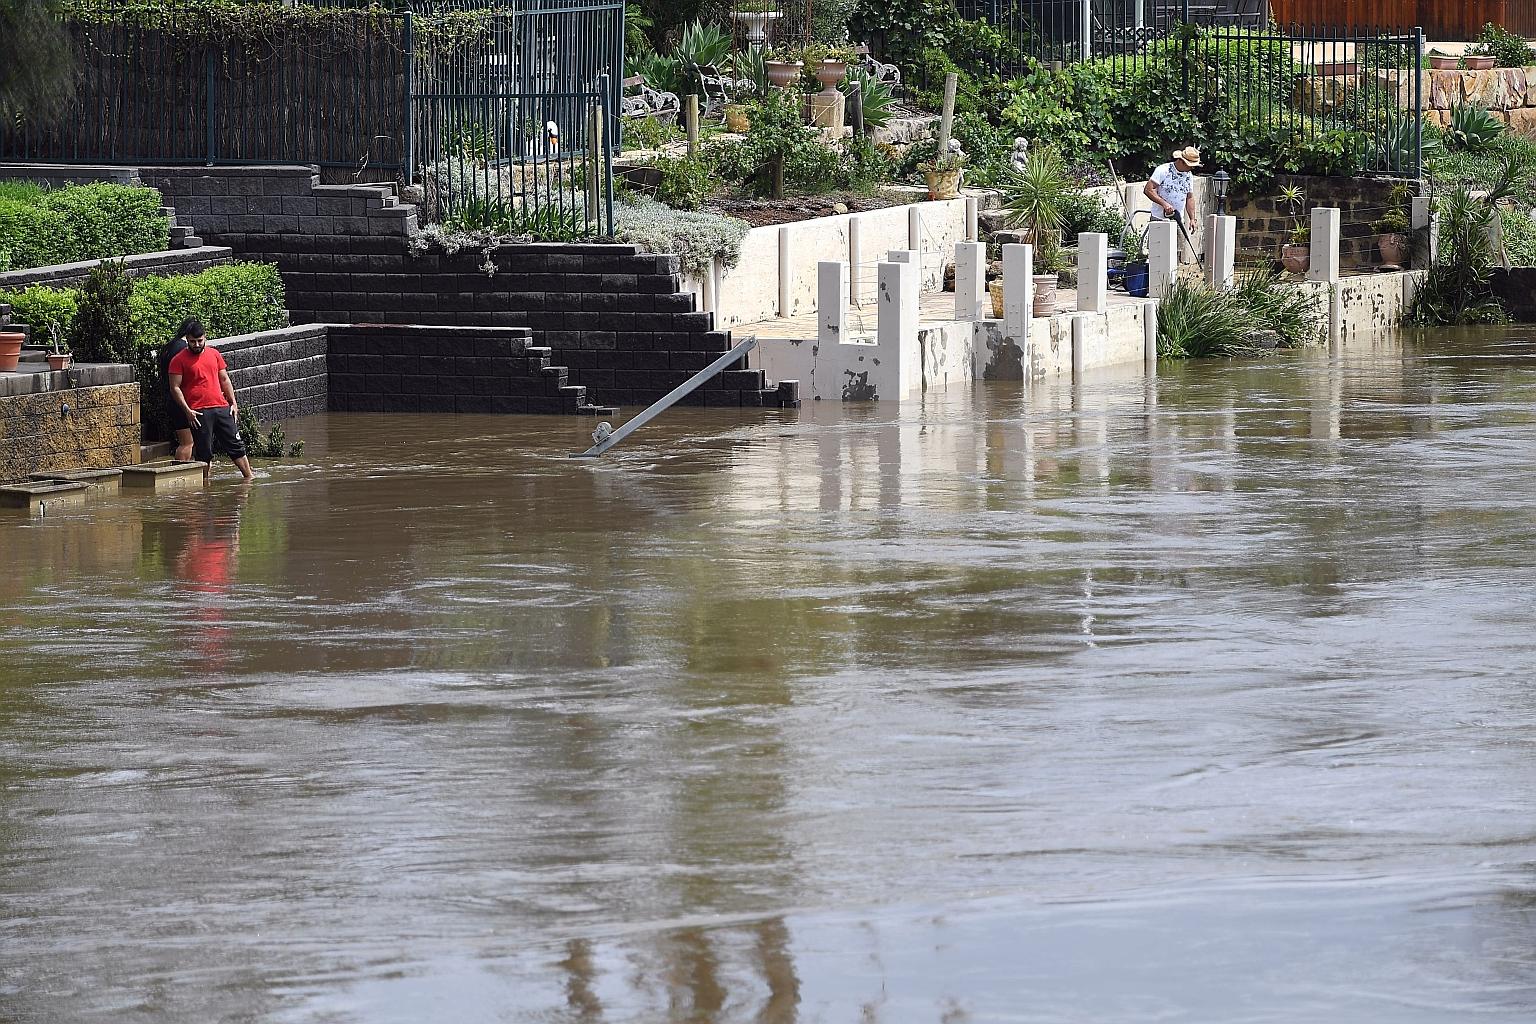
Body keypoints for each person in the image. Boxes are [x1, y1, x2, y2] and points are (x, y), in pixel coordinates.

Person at [167, 326, 254, 482]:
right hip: (199, 412)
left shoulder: (214, 354)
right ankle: (204, 484)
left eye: (200, 341)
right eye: (192, 341)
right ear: (187, 339)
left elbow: (224, 379)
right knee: (204, 452)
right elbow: (175, 388)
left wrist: (233, 403)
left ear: (205, 337)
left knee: (236, 444)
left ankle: (249, 478)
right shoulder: (178, 360)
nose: (197, 344)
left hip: (221, 408)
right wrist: (187, 411)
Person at [1145, 146, 1201, 262]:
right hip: (1159, 218)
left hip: (1177, 220)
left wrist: (1192, 218)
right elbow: (1148, 190)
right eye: (1189, 165)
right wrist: (1164, 204)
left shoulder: (1188, 175)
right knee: (1157, 254)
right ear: (1181, 161)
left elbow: (1189, 197)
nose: (1191, 168)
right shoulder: (1163, 170)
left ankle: (1172, 279)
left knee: (1174, 255)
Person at [160, 318, 201, 462]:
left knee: (188, 442)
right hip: (181, 401)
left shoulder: (170, 346)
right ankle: (178, 473)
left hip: (171, 399)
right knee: (187, 442)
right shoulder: (182, 349)